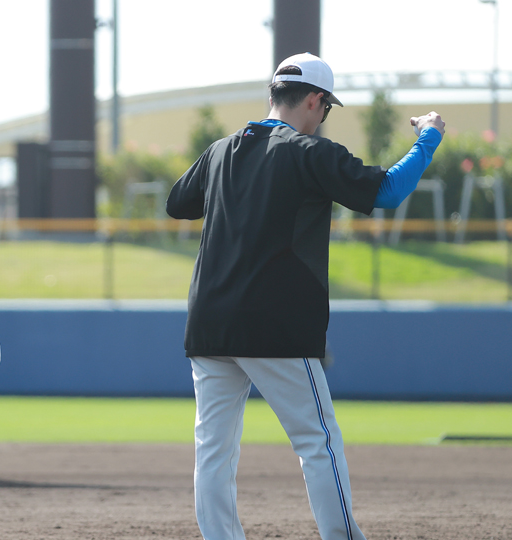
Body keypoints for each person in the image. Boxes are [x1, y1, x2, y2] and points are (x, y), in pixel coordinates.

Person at [165, 52, 445, 540]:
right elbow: (387, 191)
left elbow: (177, 204)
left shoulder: (222, 149)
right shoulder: (310, 152)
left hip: (209, 323)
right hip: (276, 328)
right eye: (326, 107)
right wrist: (429, 137)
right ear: (314, 100)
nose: (323, 117)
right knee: (318, 442)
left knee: (213, 449)